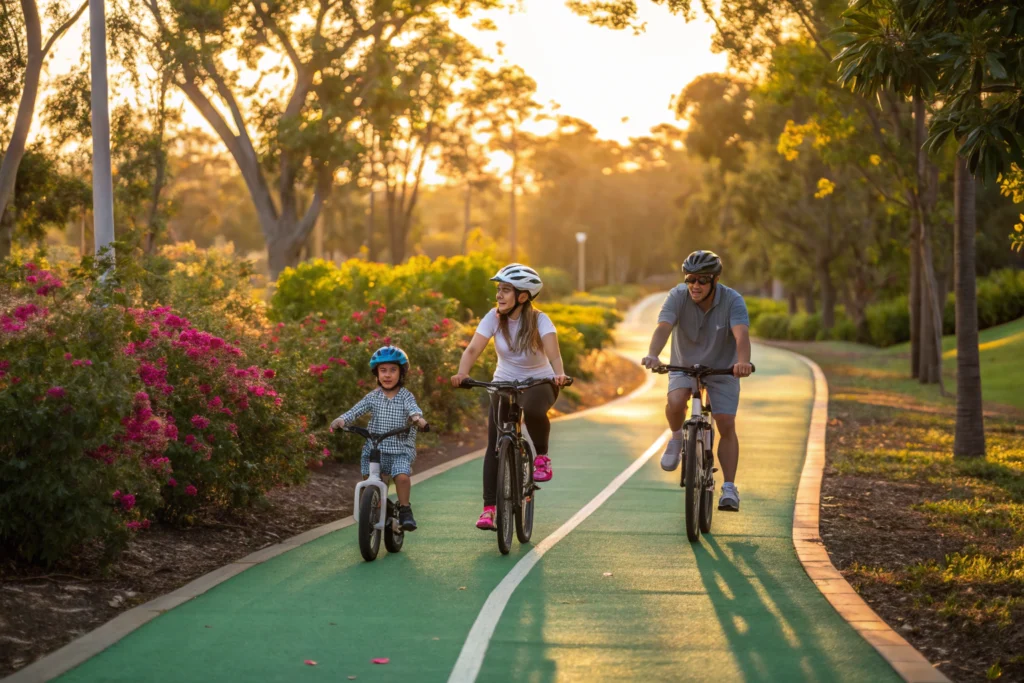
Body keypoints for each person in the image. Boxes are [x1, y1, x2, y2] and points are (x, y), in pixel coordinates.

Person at [450, 263, 570, 531]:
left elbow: (554, 354)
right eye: (499, 289)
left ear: (523, 296)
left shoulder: (540, 320)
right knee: (494, 444)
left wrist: (560, 374)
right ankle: (488, 510)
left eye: (506, 290)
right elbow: (472, 349)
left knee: (534, 410)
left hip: (540, 382)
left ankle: (542, 457)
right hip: (504, 383)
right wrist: (462, 373)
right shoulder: (493, 317)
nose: (499, 295)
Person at [641, 250, 752, 512]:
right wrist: (653, 354)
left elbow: (741, 336)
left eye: (702, 280)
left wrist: (743, 362)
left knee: (725, 421)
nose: (695, 286)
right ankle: (677, 436)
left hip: (724, 368)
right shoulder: (677, 295)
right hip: (684, 365)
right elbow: (663, 327)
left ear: (714, 280)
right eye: (690, 279)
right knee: (676, 399)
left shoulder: (732, 300)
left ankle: (729, 488)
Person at [330, 346, 427, 531]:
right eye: (383, 370)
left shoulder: (405, 396)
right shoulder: (372, 397)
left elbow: (413, 410)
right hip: (375, 449)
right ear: (377, 373)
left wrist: (418, 419)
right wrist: (342, 419)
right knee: (370, 483)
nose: (388, 375)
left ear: (401, 373)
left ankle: (405, 509)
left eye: (393, 370)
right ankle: (379, 510)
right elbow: (355, 410)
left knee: (402, 477)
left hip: (399, 449)